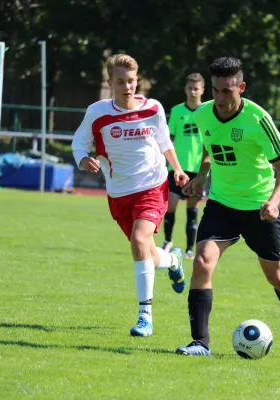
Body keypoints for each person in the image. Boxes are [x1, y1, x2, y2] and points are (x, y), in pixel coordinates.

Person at [174, 57, 280, 356]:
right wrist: (201, 176)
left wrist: (274, 202)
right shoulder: (204, 115)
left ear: (242, 87)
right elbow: (211, 148)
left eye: (227, 91)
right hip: (222, 204)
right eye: (215, 90)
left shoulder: (257, 119)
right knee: (201, 262)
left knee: (278, 277)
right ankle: (200, 343)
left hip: (259, 207)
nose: (220, 98)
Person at [71, 54, 189, 338]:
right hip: (119, 193)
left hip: (153, 185)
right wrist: (83, 160)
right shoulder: (97, 113)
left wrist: (178, 169)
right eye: (121, 81)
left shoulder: (153, 108)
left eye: (132, 81)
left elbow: (163, 141)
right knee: (145, 250)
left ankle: (145, 316)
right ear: (111, 83)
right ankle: (173, 262)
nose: (128, 86)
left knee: (139, 240)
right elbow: (78, 143)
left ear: (138, 80)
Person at [162, 73, 206, 259]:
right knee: (170, 204)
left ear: (202, 90)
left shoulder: (208, 111)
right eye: (190, 87)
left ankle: (189, 248)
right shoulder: (177, 111)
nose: (193, 91)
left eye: (197, 88)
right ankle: (167, 240)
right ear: (185, 89)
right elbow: (168, 139)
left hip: (198, 169)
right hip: (177, 168)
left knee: (192, 208)